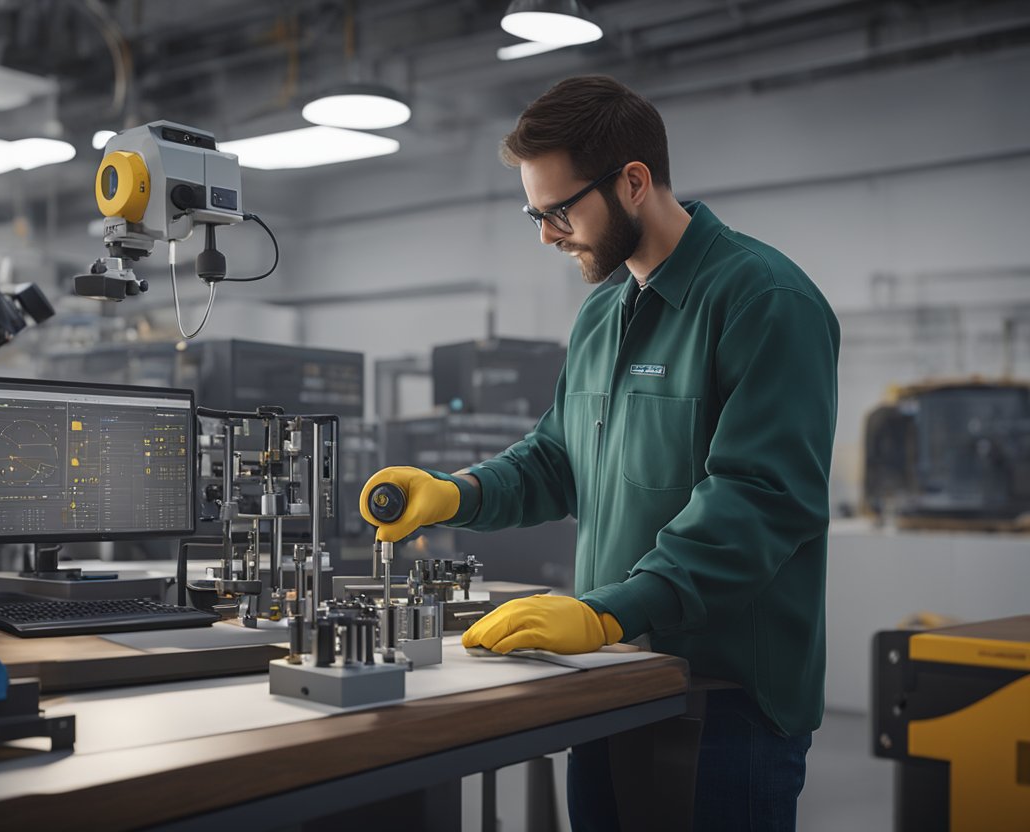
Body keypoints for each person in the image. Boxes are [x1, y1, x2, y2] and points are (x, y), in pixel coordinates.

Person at [359, 75, 839, 831]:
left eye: (558, 210)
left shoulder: (762, 299)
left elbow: (758, 501)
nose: (546, 235)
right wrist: (455, 493)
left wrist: (608, 612)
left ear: (634, 182)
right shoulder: (602, 313)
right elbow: (558, 455)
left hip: (726, 698)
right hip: (609, 678)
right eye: (534, 213)